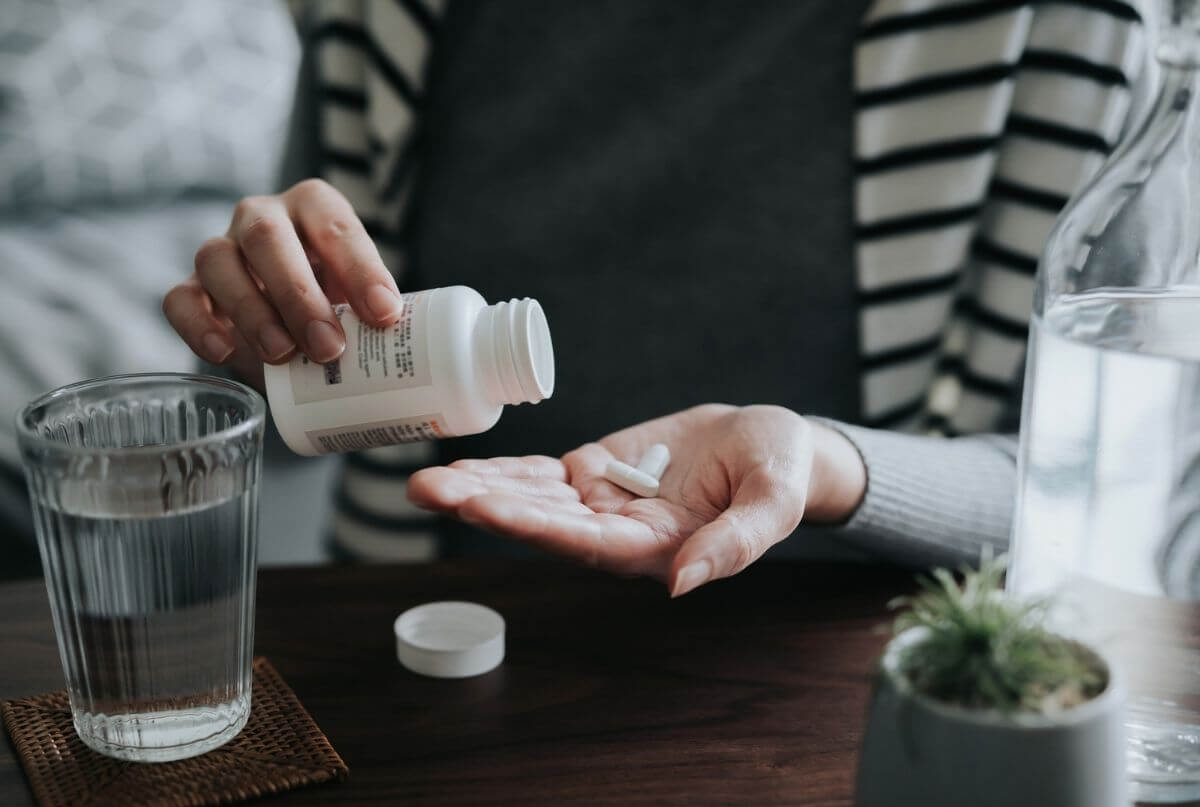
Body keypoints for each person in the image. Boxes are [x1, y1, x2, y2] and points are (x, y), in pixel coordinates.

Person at [163, 0, 1152, 595]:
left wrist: (824, 465)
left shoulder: (1067, 28)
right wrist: (259, 348)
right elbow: (278, 405)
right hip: (438, 642)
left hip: (844, 694)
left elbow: (1106, 495)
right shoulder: (393, 13)